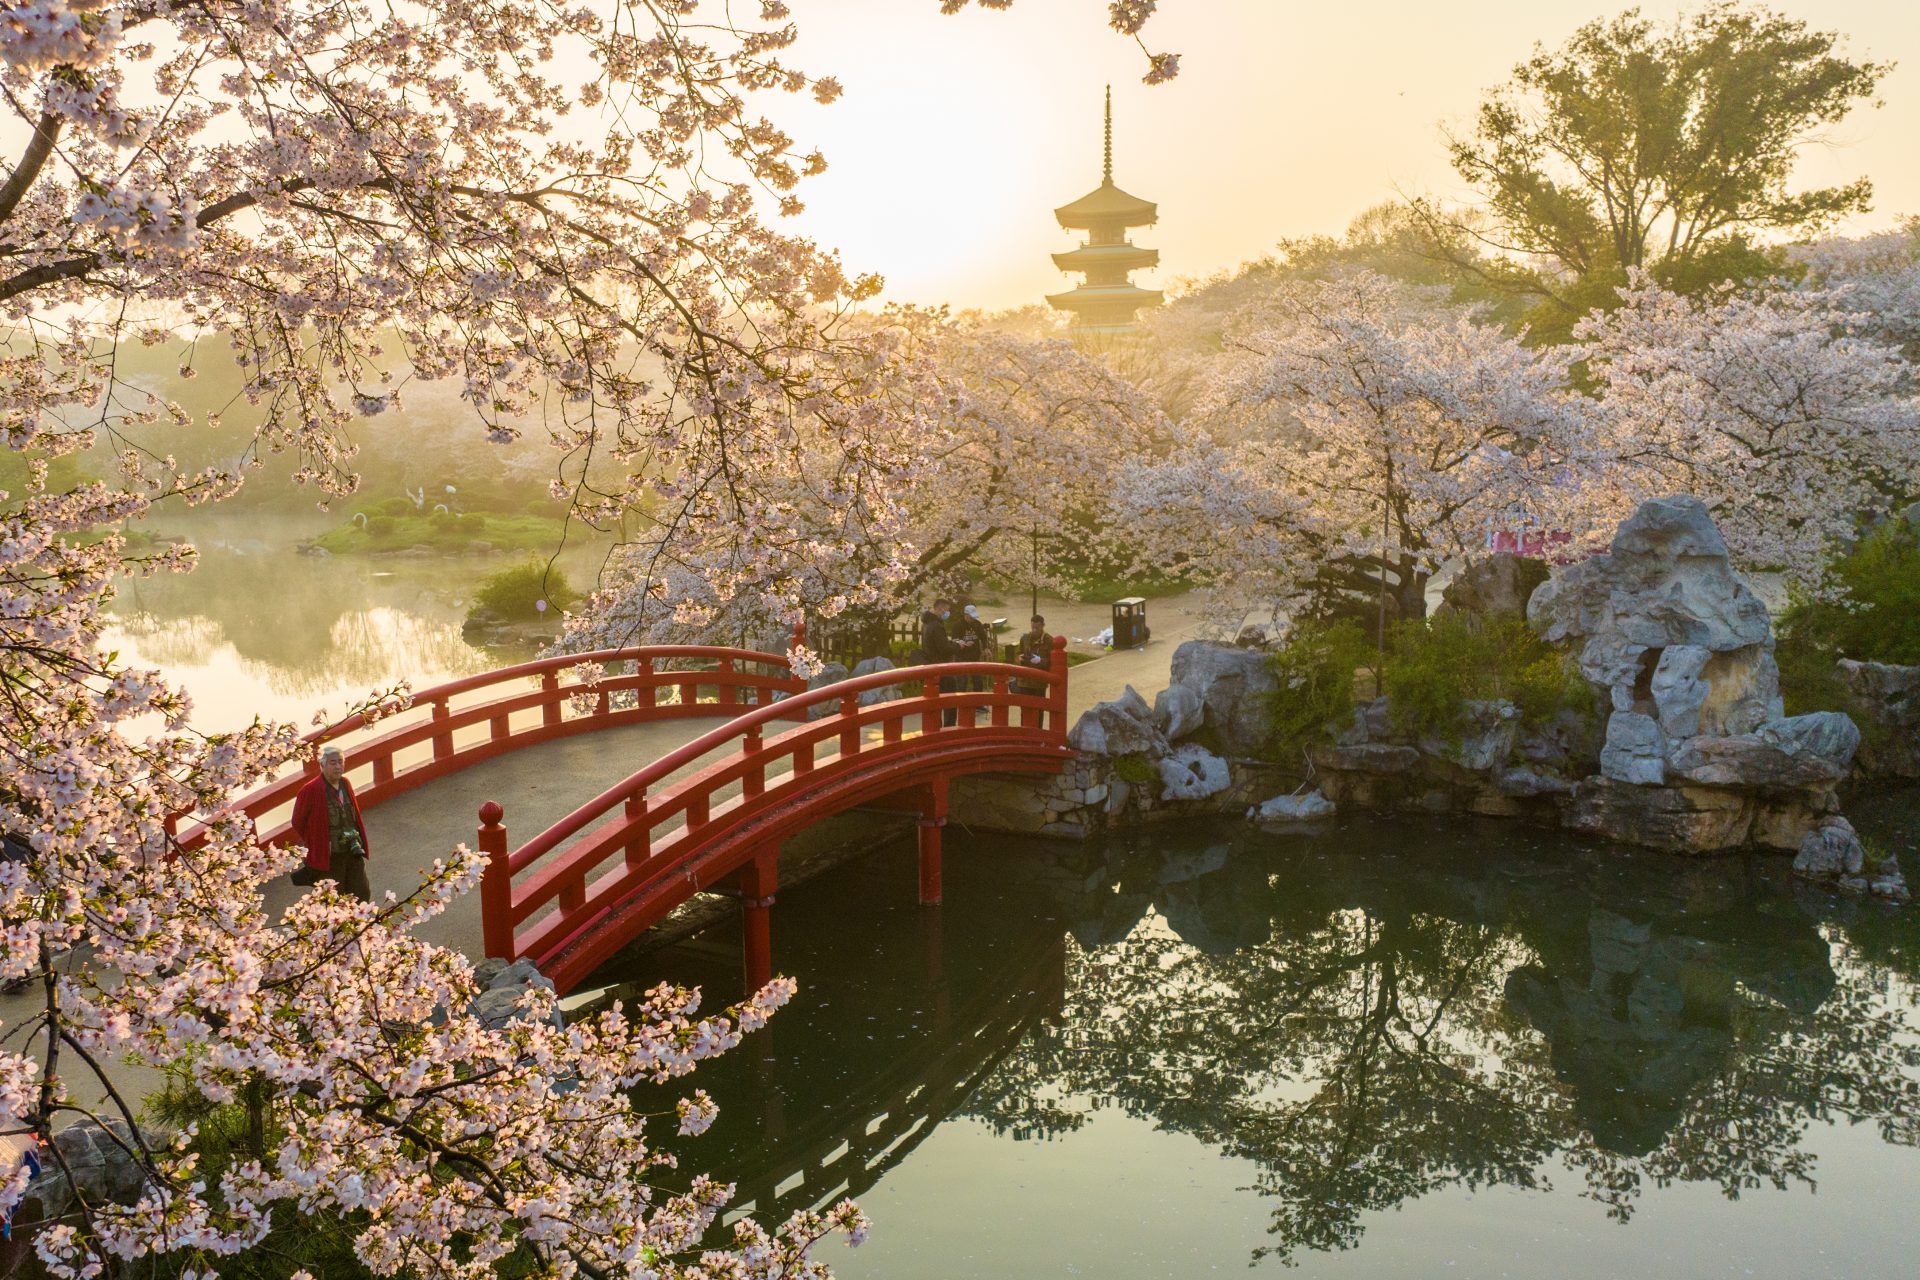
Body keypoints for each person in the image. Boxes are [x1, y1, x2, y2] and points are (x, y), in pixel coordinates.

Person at [290, 746, 372, 901]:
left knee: (361, 893)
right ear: (322, 765)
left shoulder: (345, 783)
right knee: (334, 898)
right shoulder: (310, 790)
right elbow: (297, 821)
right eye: (333, 763)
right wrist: (315, 841)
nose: (338, 767)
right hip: (330, 855)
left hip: (352, 849)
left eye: (340, 762)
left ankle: (362, 924)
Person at [1014, 614, 1053, 696]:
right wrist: (1019, 658)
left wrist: (1040, 660)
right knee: (1025, 706)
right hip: (1024, 680)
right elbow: (1017, 655)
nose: (1034, 630)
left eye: (1037, 628)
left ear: (1043, 626)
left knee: (1039, 706)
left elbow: (1052, 662)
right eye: (1033, 628)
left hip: (1039, 681)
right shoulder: (1025, 638)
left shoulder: (1049, 640)